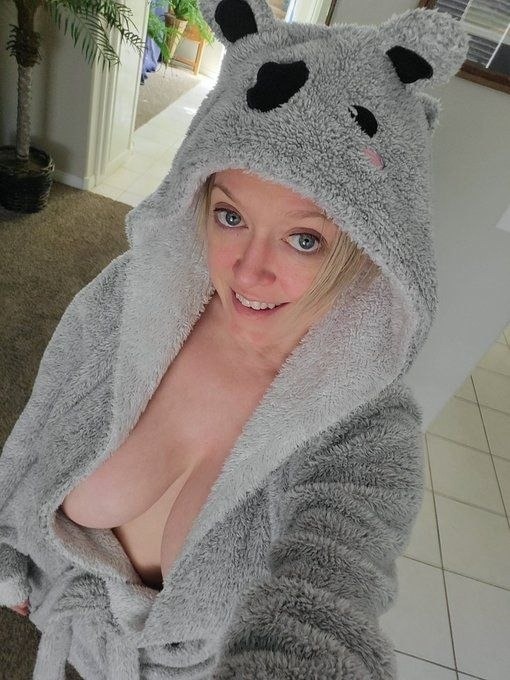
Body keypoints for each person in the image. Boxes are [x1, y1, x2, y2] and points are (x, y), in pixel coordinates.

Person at [0, 2, 469, 679]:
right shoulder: (131, 296)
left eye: (304, 239)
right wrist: (9, 551)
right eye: (230, 216)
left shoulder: (363, 428)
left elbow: (332, 586)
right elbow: (42, 418)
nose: (249, 272)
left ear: (369, 244)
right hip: (60, 626)